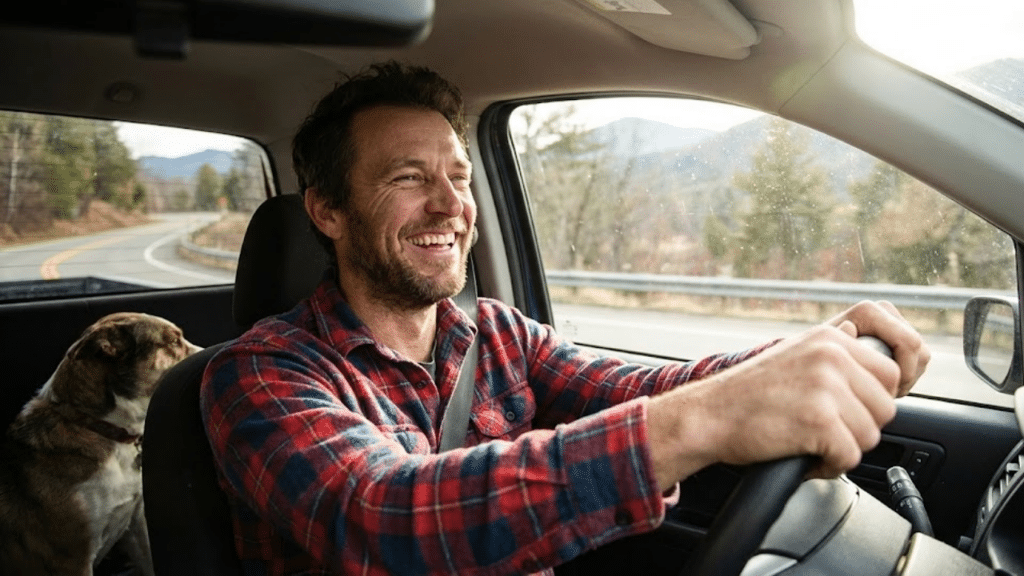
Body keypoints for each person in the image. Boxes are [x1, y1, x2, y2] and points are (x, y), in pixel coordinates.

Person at [200, 61, 931, 576]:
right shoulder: (257, 373)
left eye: (458, 176)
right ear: (327, 210)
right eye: (407, 178)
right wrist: (704, 421)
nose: (452, 205)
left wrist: (806, 357)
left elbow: (641, 386)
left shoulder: (497, 334)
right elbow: (382, 518)